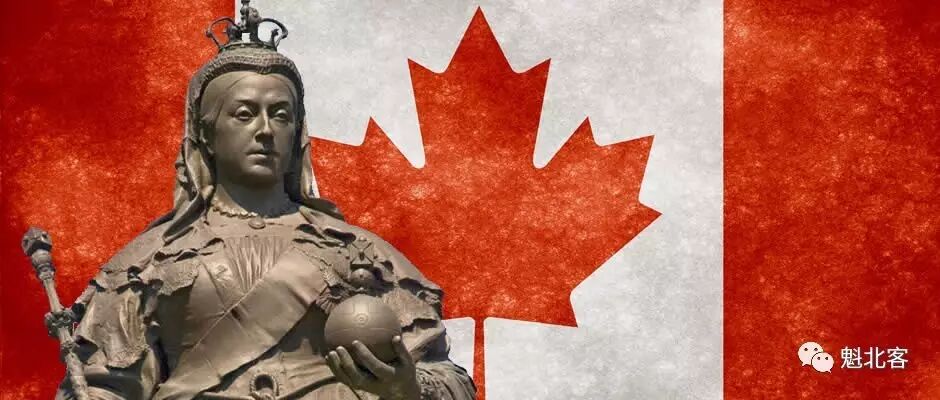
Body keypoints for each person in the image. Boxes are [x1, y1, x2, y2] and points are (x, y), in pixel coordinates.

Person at [53, 3, 475, 399]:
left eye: (280, 115)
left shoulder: (359, 253)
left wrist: (407, 387)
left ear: (296, 133)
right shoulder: (148, 261)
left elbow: (449, 380)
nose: (265, 130)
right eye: (244, 114)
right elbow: (103, 384)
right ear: (206, 134)